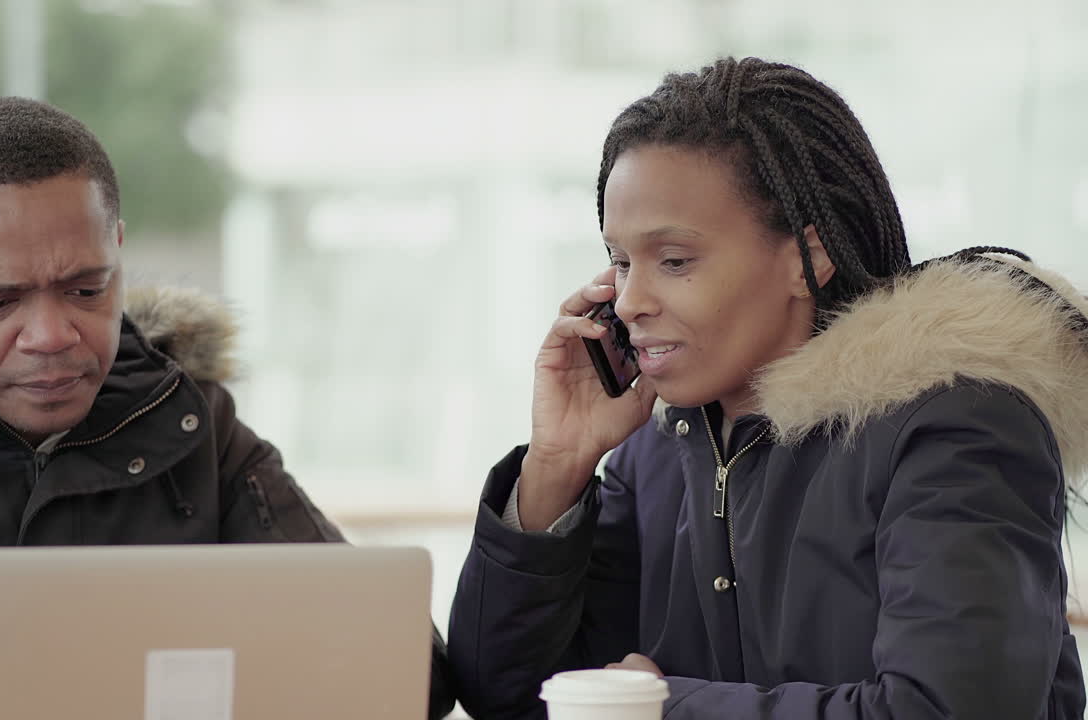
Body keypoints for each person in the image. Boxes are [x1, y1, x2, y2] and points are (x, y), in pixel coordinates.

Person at [447, 56, 1088, 719]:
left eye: (673, 261)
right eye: (619, 260)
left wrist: (658, 708)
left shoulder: (958, 429)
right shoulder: (656, 455)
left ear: (807, 259)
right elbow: (512, 699)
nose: (630, 300)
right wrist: (557, 468)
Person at [0, 97, 455, 720]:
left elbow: (401, 666)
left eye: (87, 289)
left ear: (117, 248)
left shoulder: (190, 423)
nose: (52, 335)